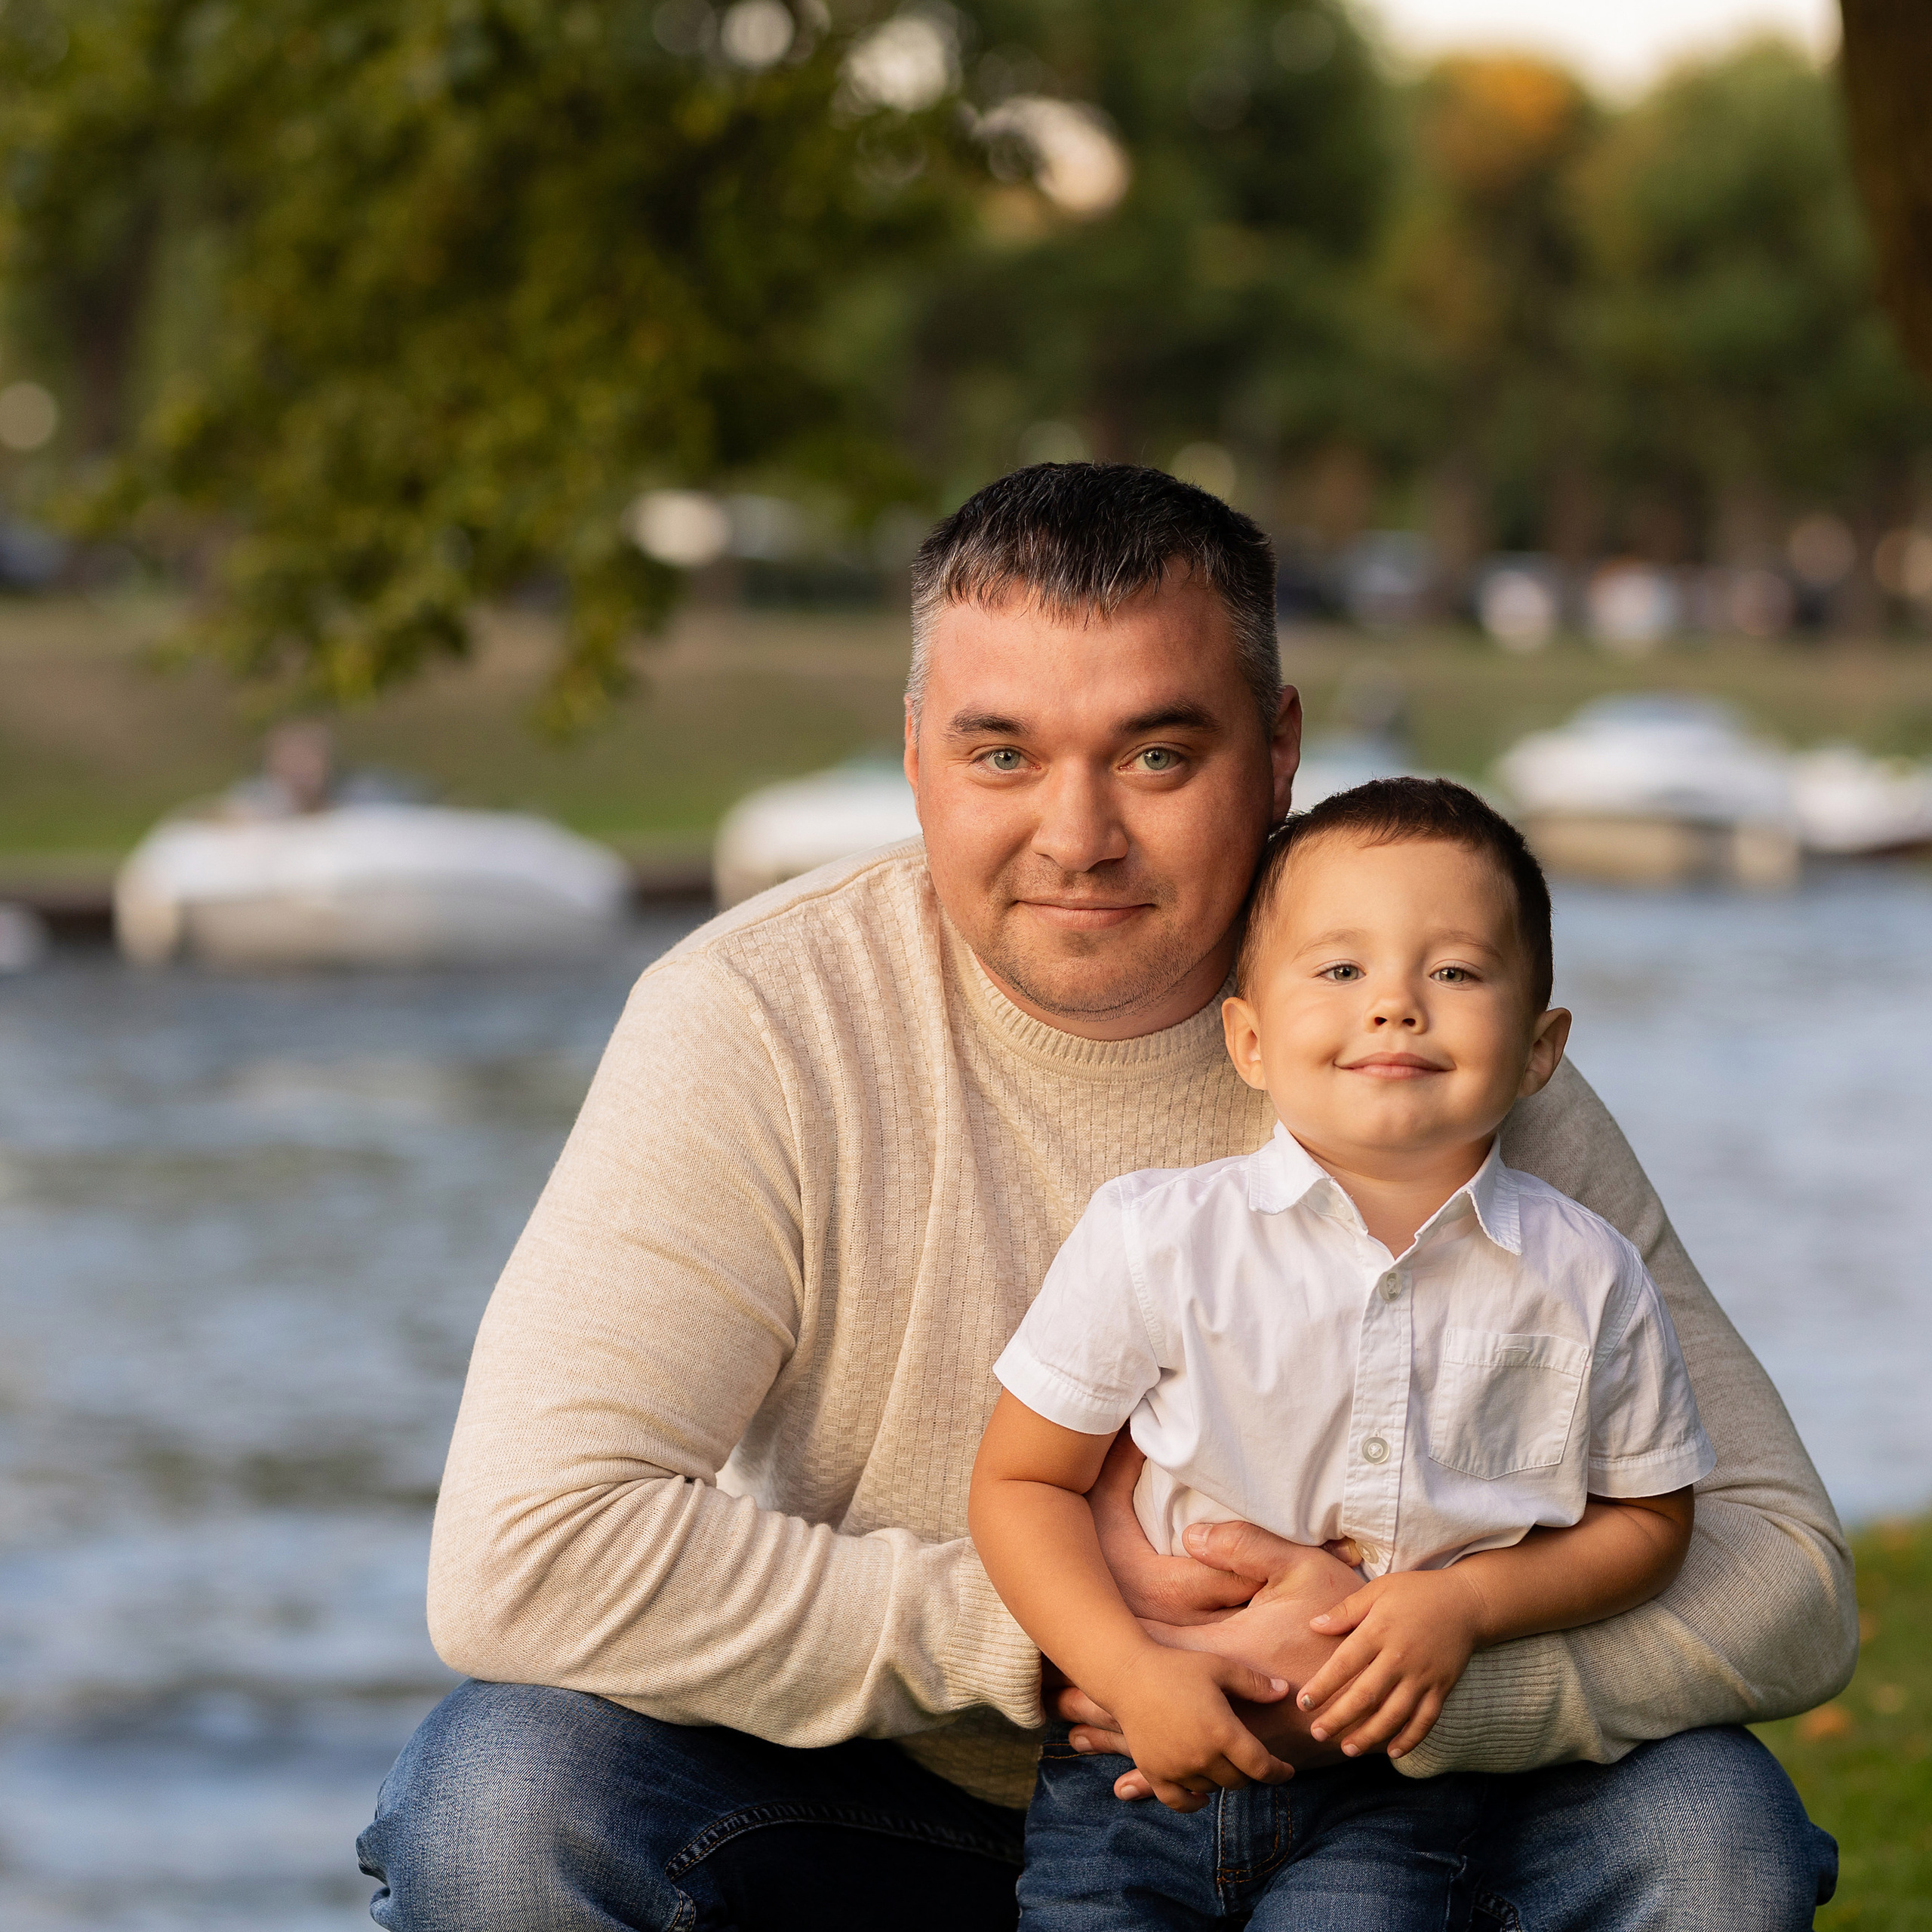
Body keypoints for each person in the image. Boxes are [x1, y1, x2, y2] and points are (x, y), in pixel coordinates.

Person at [358, 464, 1850, 1930]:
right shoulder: (756, 1020)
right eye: (1001, 754)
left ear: (1278, 750)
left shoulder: (1411, 1044)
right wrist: (1071, 1636)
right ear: (915, 754)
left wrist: (1379, 1672)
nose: (1076, 837)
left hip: (1374, 1813)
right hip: (875, 1802)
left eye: (1155, 755)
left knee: (1706, 1830)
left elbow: (1781, 1576)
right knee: (503, 1798)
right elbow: (525, 1552)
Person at [971, 778, 1718, 1924]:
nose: (1395, 1006)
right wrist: (1128, 1670)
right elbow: (1023, 1483)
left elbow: (1651, 1521)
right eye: (1340, 969)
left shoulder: (1588, 1274)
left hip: (1394, 1786)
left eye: (1455, 973)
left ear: (1540, 1048)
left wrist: (1467, 1608)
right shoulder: (1156, 1238)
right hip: (1136, 1764)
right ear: (1250, 1038)